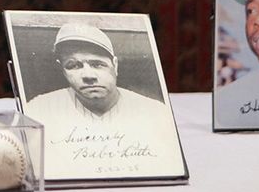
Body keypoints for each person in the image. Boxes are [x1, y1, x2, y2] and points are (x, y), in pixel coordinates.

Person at [25, 23, 170, 124]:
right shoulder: (38, 109)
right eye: (73, 65)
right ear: (62, 69)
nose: (89, 76)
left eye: (97, 64)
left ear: (115, 65)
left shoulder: (153, 111)